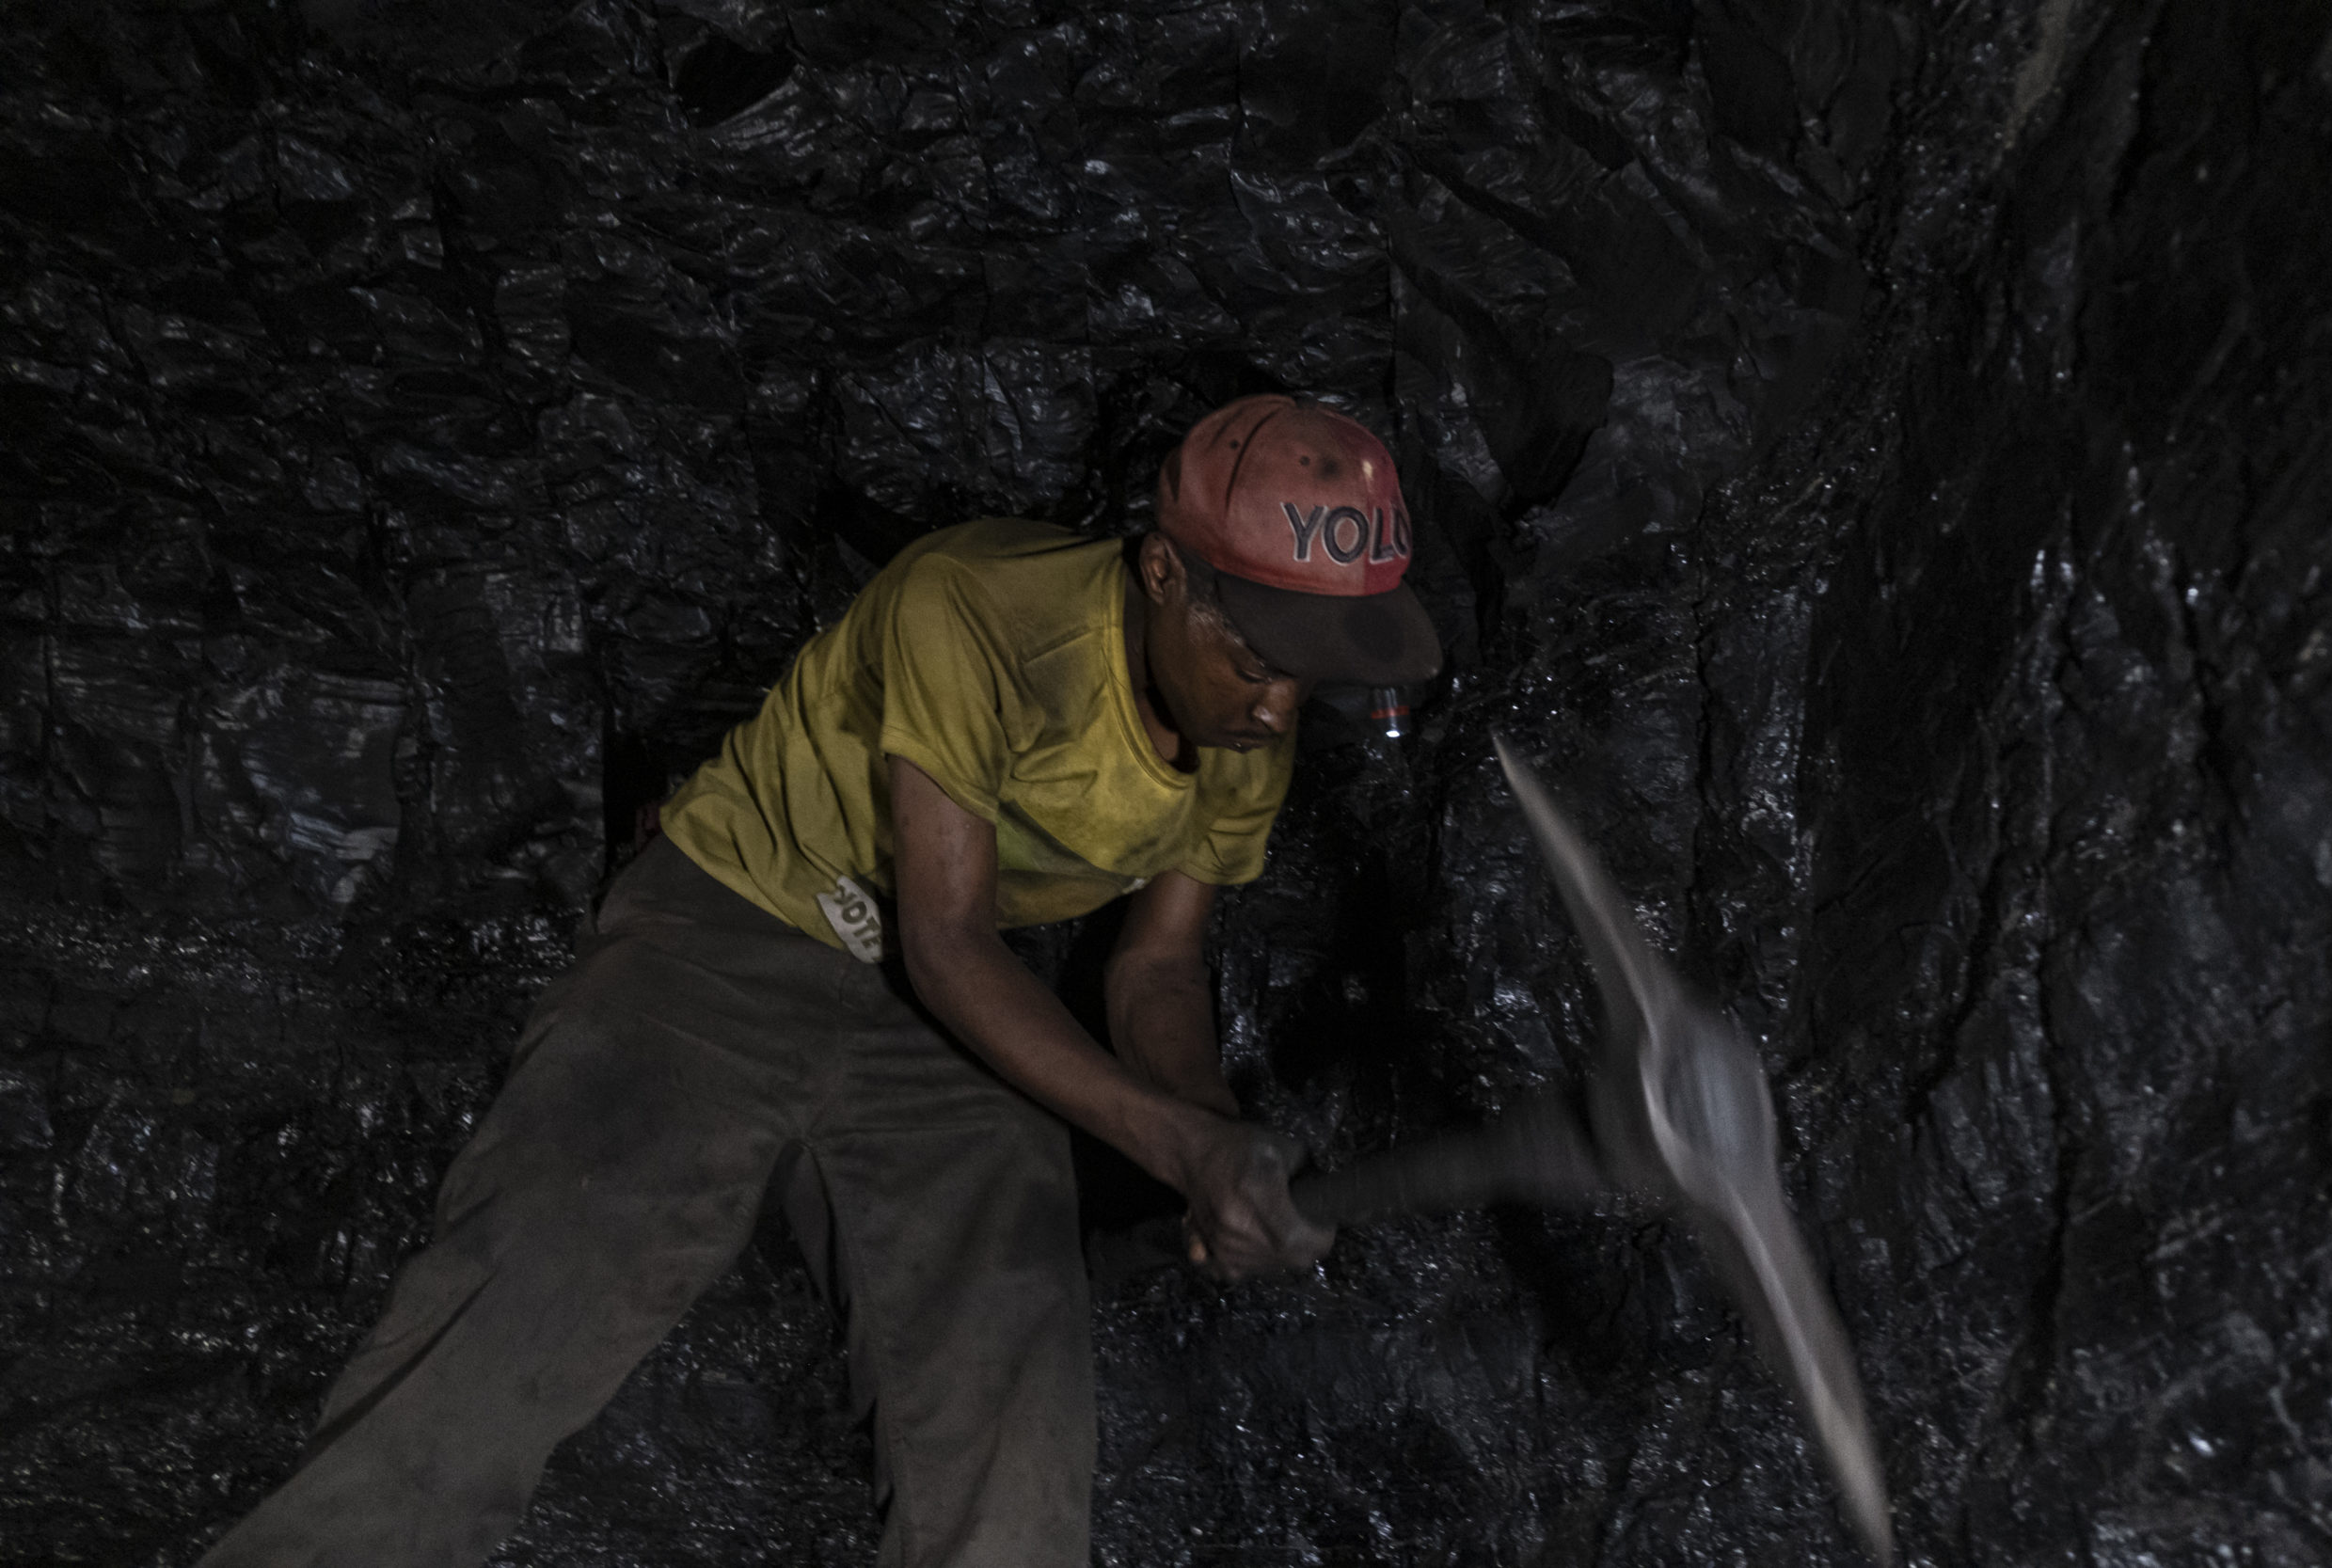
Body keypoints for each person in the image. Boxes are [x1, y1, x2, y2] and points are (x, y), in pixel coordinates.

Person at [198, 393, 1444, 1568]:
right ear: (1165, 573)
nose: (1281, 708)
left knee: (1017, 1445)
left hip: (945, 1038)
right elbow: (944, 939)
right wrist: (1180, 1147)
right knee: (506, 1333)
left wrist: (1224, 1147)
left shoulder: (1241, 726)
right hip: (729, 931)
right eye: (1260, 655)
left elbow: (1158, 964)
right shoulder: (978, 607)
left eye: (1311, 668)